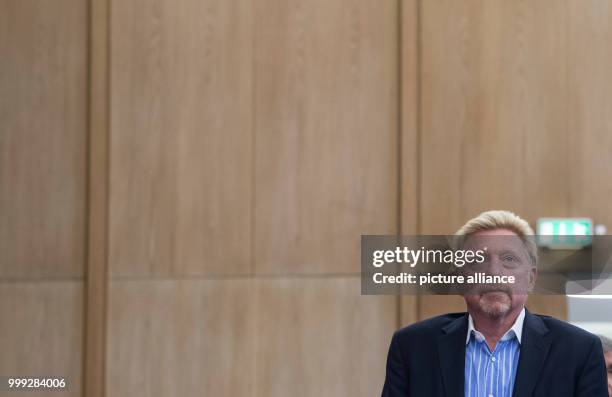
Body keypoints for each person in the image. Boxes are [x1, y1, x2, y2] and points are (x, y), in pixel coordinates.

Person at [381, 210, 608, 397]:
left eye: (509, 259)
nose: (493, 273)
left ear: (531, 278)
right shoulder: (413, 347)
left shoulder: (579, 351)